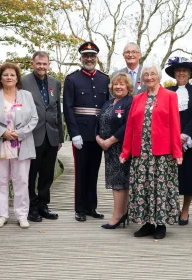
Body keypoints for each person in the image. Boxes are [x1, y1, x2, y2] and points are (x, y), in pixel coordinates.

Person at [120, 64, 182, 239]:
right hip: (141, 152)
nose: (149, 77)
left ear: (159, 76)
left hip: (162, 153)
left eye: (152, 74)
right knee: (143, 187)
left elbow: (175, 125)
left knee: (160, 188)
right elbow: (130, 127)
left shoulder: (170, 96)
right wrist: (125, 152)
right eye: (145, 74)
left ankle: (160, 224)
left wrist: (177, 152)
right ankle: (147, 223)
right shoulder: (137, 99)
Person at [0, 62, 38, 229]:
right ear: (0, 77)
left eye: (12, 75)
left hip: (21, 143)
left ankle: (22, 215)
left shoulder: (26, 95)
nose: (9, 77)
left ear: (17, 78)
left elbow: (34, 118)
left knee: (21, 181)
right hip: (0, 143)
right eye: (5, 75)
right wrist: (2, 132)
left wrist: (20, 133)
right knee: (1, 181)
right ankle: (2, 214)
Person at [63, 42, 110, 222]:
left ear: (96, 58)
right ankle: (79, 209)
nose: (89, 59)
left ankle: (92, 207)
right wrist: (74, 133)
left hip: (98, 134)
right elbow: (68, 108)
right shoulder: (72, 79)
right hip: (81, 134)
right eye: (85, 56)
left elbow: (107, 107)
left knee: (94, 171)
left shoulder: (104, 79)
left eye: (92, 56)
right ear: (81, 58)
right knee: (81, 172)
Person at [21, 51, 63, 222]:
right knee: (31, 173)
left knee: (47, 173)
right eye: (38, 63)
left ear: (49, 64)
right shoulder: (23, 81)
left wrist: (60, 137)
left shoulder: (55, 82)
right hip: (32, 135)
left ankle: (43, 205)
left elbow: (57, 111)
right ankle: (31, 207)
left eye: (45, 64)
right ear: (32, 64)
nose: (42, 67)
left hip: (51, 135)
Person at [165, 57, 192, 226]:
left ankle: (185, 211)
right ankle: (173, 208)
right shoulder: (166, 90)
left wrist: (186, 134)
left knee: (189, 176)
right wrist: (173, 135)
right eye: (178, 70)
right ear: (174, 73)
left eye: (184, 71)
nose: (181, 73)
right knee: (171, 175)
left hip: (191, 138)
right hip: (169, 138)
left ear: (189, 74)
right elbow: (163, 115)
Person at [96, 73, 133, 229]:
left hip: (121, 147)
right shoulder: (108, 103)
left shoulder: (130, 102)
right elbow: (99, 121)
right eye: (116, 84)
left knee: (120, 183)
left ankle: (117, 216)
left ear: (128, 87)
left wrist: (110, 140)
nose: (118, 87)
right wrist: (98, 138)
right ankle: (122, 213)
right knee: (116, 182)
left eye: (122, 84)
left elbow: (129, 124)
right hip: (107, 148)